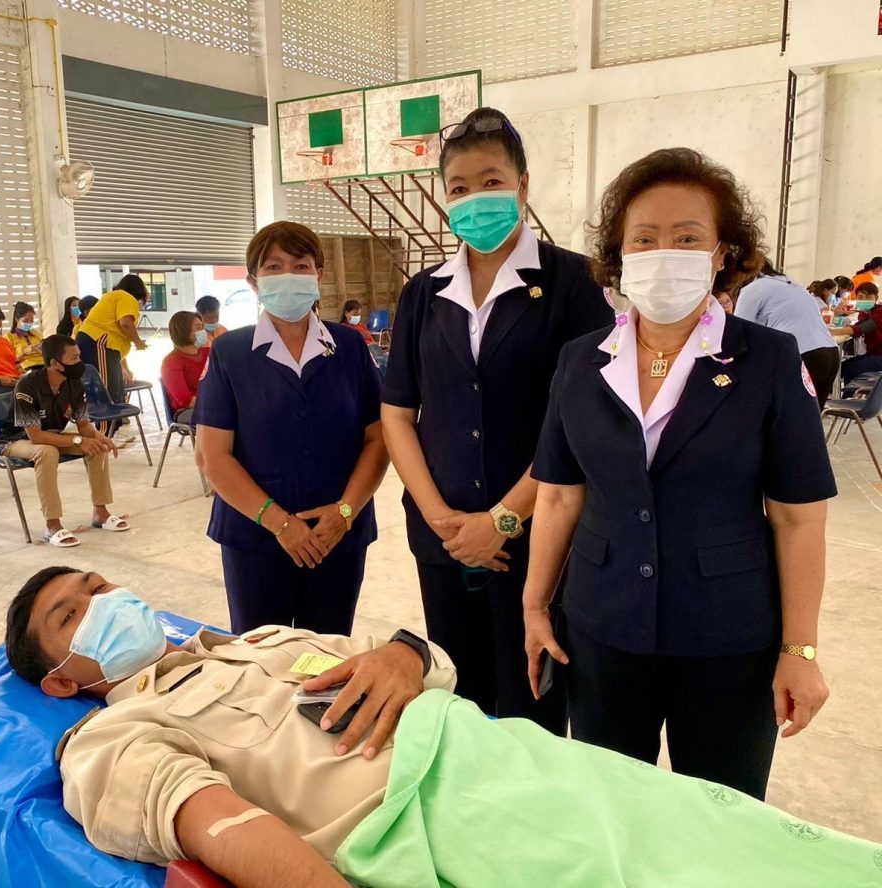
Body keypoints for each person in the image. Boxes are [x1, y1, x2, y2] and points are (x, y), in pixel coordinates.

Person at [2, 566, 882, 887]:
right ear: (59, 679)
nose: (103, 604)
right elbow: (216, 822)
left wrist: (405, 655)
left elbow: (426, 664)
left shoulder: (263, 638)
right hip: (420, 814)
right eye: (71, 615)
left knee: (718, 825)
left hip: (501, 751)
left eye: (97, 587)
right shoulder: (116, 732)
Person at [525, 147, 836, 802]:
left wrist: (800, 650)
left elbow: (797, 516)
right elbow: (556, 496)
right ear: (619, 254)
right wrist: (534, 605)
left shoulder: (769, 360)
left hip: (728, 638)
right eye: (644, 238)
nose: (663, 252)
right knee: (612, 808)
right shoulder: (581, 361)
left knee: (721, 814)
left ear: (722, 253)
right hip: (602, 627)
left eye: (687, 237)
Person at [380, 107, 611, 726]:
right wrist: (442, 520)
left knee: (535, 703)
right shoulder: (424, 293)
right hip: (445, 540)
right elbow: (397, 413)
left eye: (491, 182)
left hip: (538, 538)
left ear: (522, 185)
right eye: (459, 188)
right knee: (462, 698)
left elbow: (582, 422)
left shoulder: (572, 283)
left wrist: (503, 520)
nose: (474, 199)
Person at [197, 222, 390, 636]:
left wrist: (345, 512)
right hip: (255, 539)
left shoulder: (350, 347)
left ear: (318, 274)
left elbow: (377, 439)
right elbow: (213, 457)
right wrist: (281, 524)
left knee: (327, 654)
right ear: (254, 282)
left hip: (337, 535)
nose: (288, 275)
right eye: (273, 266)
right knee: (261, 653)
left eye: (300, 265)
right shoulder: (230, 353)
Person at [0, 335, 127, 547]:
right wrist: (77, 440)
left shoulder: (74, 383)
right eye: (74, 358)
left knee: (97, 446)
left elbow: (84, 425)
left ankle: (100, 513)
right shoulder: (27, 385)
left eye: (79, 357)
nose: (79, 362)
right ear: (55, 363)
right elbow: (36, 436)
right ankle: (53, 525)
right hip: (16, 441)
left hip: (51, 436)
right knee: (47, 452)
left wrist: (102, 438)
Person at [735, 259, 839, 409]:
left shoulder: (753, 288)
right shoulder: (793, 284)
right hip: (831, 352)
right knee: (811, 416)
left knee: (787, 414)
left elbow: (739, 332)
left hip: (803, 355)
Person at [76, 275, 149, 436]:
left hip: (102, 346)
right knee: (105, 393)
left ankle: (107, 434)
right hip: (97, 344)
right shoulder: (126, 297)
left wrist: (125, 368)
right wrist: (138, 342)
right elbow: (125, 324)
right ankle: (102, 437)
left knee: (114, 393)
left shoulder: (115, 297)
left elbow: (118, 338)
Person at [160, 310, 210, 422]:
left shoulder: (210, 353)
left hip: (211, 405)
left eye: (202, 327)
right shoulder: (171, 362)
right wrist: (216, 404)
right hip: (187, 411)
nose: (203, 332)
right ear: (183, 331)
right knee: (223, 418)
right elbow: (185, 400)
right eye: (198, 328)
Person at [839, 282, 882, 383]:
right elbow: (857, 326)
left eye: (868, 297)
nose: (864, 300)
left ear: (876, 298)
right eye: (860, 297)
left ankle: (850, 393)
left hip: (879, 355)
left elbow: (859, 329)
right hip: (873, 354)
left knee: (852, 369)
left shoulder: (880, 312)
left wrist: (832, 331)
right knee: (842, 367)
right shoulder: (863, 314)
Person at [8, 301, 44, 370]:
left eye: (31, 320)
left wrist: (41, 348)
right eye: (25, 320)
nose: (29, 323)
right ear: (17, 319)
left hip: (43, 364)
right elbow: (8, 360)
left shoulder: (35, 333)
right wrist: (24, 352)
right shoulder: (9, 337)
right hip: (27, 366)